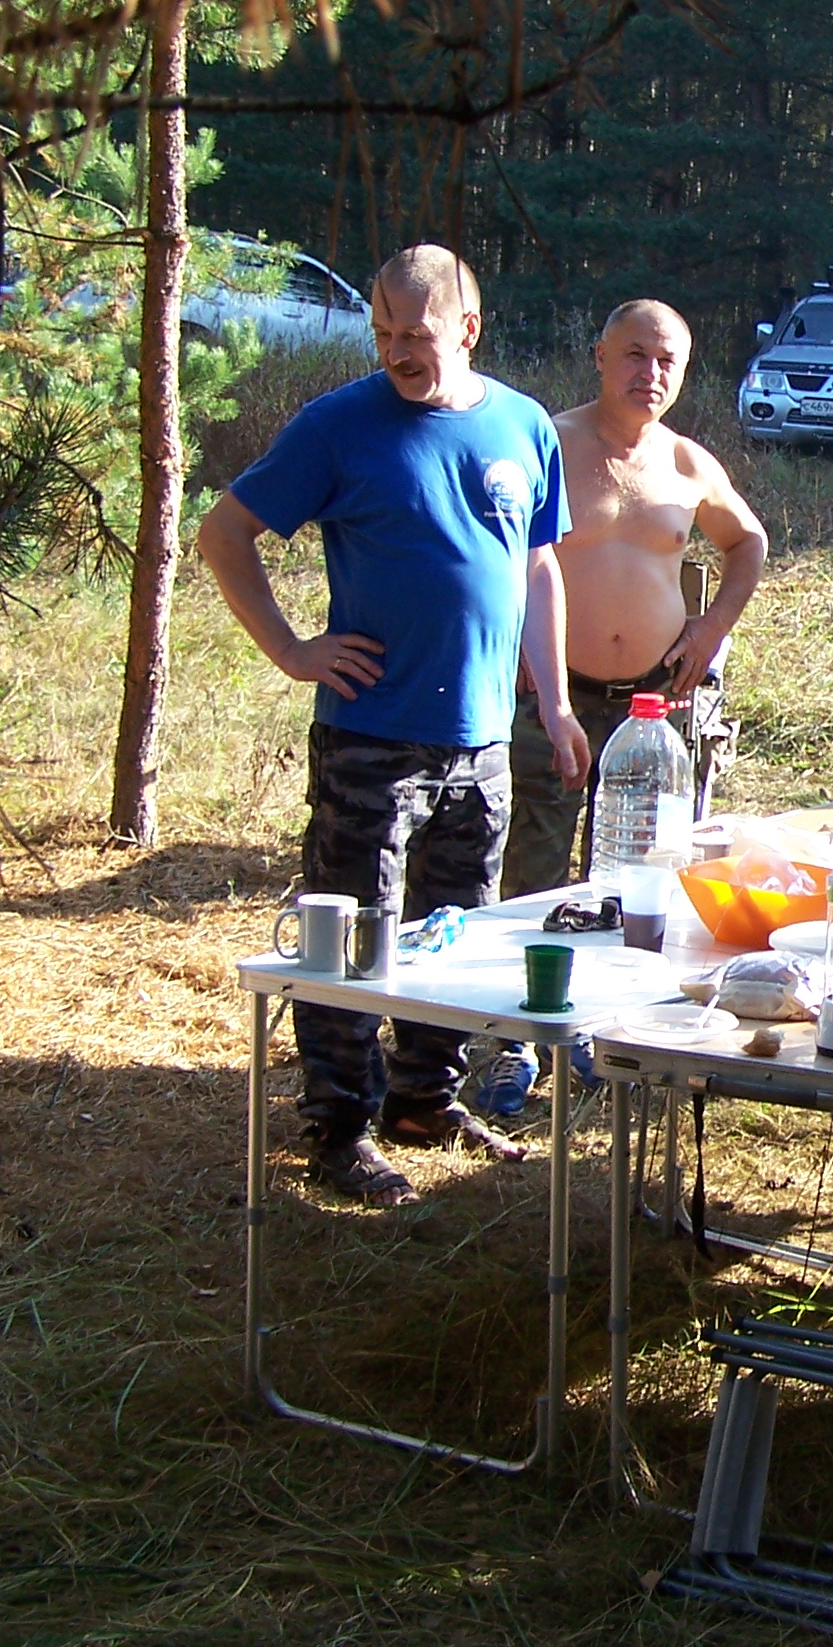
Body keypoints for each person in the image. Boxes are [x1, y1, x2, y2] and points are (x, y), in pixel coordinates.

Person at [198, 245, 590, 1208]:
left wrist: (555, 700)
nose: (396, 352)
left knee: (455, 931)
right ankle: (338, 1127)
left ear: (468, 328)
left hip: (483, 738)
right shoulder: (337, 426)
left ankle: (424, 1099)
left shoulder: (522, 423)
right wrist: (291, 648)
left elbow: (537, 566)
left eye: (415, 333)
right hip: (372, 737)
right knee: (354, 936)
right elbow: (223, 532)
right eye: (382, 333)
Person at [476, 299, 769, 1116]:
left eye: (668, 360)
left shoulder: (687, 463)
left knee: (641, 883)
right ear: (600, 355)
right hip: (552, 699)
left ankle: (611, 1028)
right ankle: (514, 1042)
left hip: (652, 712)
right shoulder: (549, 442)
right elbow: (498, 548)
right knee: (532, 874)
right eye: (635, 354)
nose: (651, 373)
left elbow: (748, 542)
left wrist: (711, 627)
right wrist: (519, 645)